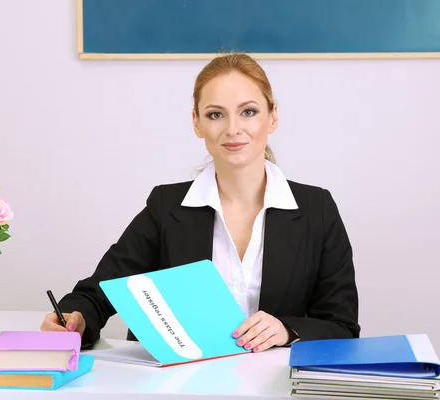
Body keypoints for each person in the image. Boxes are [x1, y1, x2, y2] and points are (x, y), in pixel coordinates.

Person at [41, 53, 360, 353]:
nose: (233, 128)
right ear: (197, 123)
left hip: (274, 384)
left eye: (248, 112)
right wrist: (76, 317)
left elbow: (342, 324)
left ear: (273, 117)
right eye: (216, 114)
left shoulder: (317, 209)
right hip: (182, 385)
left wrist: (288, 330)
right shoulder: (167, 207)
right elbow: (99, 291)